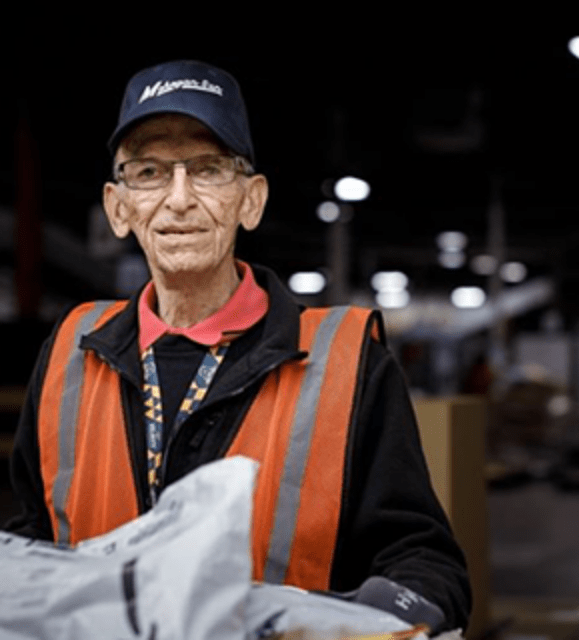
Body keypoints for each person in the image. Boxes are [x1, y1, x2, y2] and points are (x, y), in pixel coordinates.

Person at [5, 60, 471, 633]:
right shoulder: (70, 352)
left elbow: (424, 562)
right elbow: (34, 536)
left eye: (207, 170)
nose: (179, 199)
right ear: (118, 208)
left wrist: (372, 616)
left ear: (251, 200)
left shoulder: (347, 362)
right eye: (149, 172)